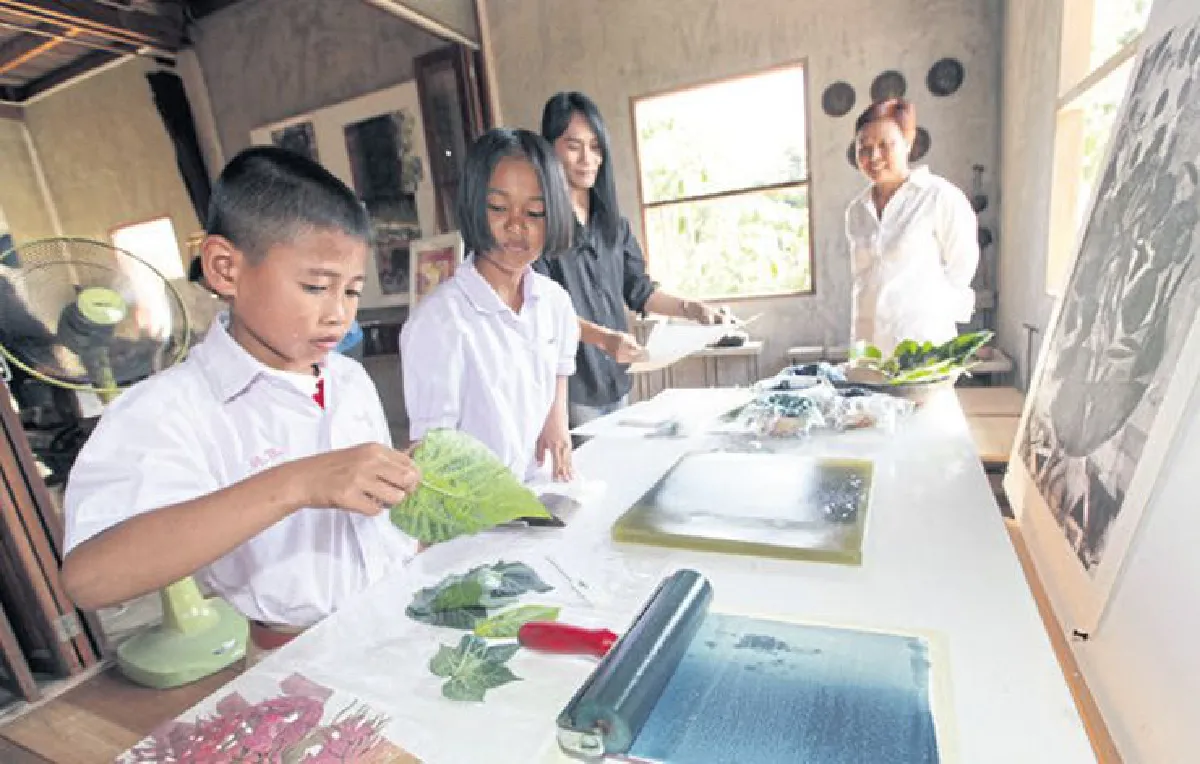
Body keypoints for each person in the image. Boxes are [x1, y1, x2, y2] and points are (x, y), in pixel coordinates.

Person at [61, 147, 423, 658]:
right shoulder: (171, 408)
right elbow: (90, 579)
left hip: (397, 624)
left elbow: (367, 525)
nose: (338, 315)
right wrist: (298, 482)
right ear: (225, 268)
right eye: (316, 286)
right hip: (297, 657)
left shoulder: (348, 379)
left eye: (351, 291)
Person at [536, 92, 726, 428]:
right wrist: (604, 339)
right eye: (573, 145)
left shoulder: (613, 224)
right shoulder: (540, 228)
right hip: (572, 387)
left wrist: (692, 308)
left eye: (595, 147)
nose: (587, 158)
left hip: (618, 377)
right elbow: (545, 314)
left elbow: (639, 290)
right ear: (550, 149)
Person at [401, 128, 578, 482]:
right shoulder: (439, 321)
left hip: (538, 490)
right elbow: (431, 448)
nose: (516, 225)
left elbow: (560, 365)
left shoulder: (554, 301)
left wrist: (555, 421)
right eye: (498, 208)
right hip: (477, 512)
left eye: (535, 212)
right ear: (472, 206)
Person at [845, 98, 979, 355]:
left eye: (885, 145)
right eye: (864, 147)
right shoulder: (856, 212)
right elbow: (863, 282)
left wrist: (928, 325)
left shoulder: (938, 196)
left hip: (921, 347)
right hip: (868, 348)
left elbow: (961, 271)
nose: (873, 157)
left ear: (908, 143)